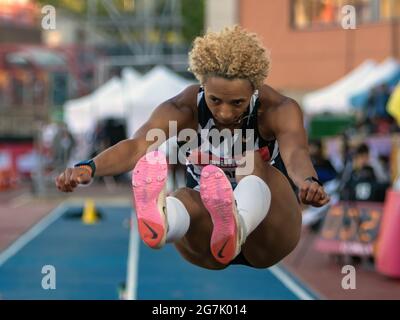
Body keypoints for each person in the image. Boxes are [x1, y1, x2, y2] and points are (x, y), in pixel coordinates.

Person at [55, 26, 329, 270]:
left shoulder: (278, 109)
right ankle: (165, 222)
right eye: (215, 100)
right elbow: (137, 146)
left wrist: (308, 181)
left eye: (237, 103)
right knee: (185, 195)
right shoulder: (184, 108)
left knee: (251, 161)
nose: (224, 112)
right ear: (202, 86)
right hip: (208, 241)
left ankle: (238, 225)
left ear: (254, 91)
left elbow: (296, 152)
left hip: (269, 235)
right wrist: (90, 166)